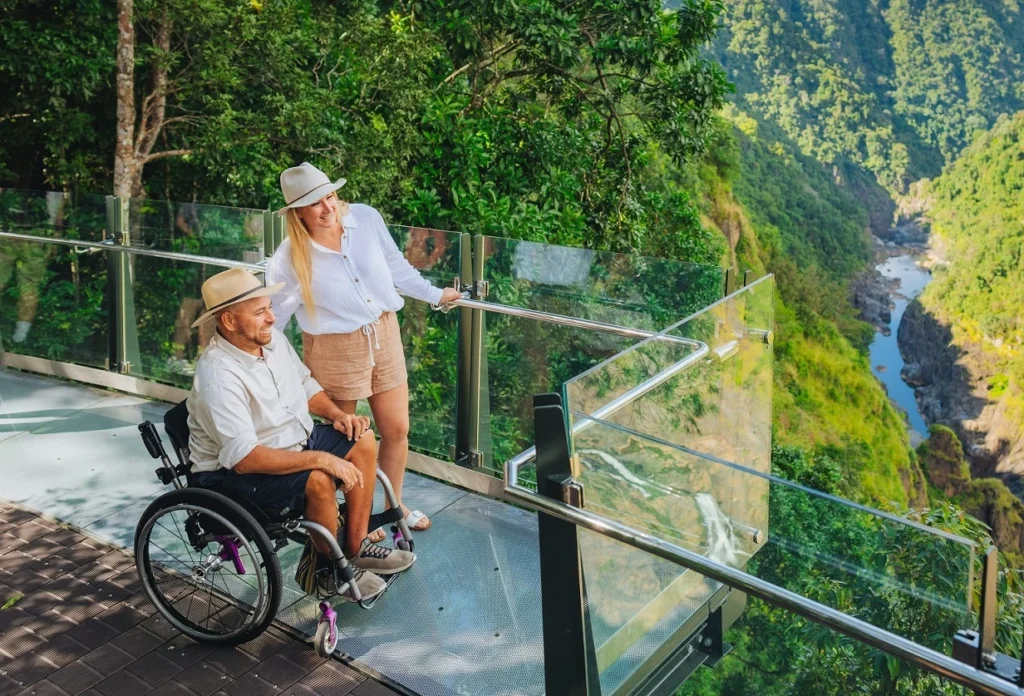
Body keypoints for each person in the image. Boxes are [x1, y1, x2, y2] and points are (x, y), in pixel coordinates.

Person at [185, 267, 415, 601]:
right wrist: (323, 459)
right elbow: (245, 459)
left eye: (269, 307)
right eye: (260, 311)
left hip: (294, 443)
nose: (271, 317)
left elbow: (306, 384)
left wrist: (338, 415)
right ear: (229, 321)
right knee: (320, 479)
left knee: (362, 438)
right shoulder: (218, 376)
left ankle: (355, 545)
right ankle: (327, 573)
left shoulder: (271, 339)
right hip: (233, 476)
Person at [266, 162, 461, 540]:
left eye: (330, 197)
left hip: (383, 332)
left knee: (397, 429)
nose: (327, 208)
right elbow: (273, 321)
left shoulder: (366, 219)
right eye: (315, 203)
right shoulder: (288, 258)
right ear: (297, 213)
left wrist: (436, 295)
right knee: (348, 440)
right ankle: (354, 517)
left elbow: (396, 268)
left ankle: (393, 506)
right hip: (333, 348)